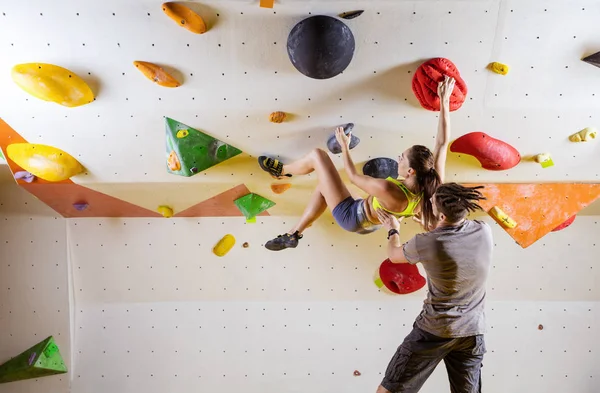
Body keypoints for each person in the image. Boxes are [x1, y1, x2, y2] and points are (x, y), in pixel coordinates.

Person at [257, 76, 456, 251]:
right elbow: (441, 143)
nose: (398, 159)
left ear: (411, 171)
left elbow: (353, 176)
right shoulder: (432, 185)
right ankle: (294, 234)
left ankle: (281, 171)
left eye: (402, 158)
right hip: (370, 220)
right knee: (324, 187)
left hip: (352, 216)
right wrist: (444, 102)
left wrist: (344, 146)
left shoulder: (389, 188)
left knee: (319, 156)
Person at [374, 183, 493, 393]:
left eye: (432, 203)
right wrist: (433, 228)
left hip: (434, 330)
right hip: (472, 332)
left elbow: (394, 254)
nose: (428, 202)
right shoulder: (483, 230)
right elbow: (451, 240)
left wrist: (393, 229)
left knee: (390, 390)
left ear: (441, 217)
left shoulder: (425, 242)